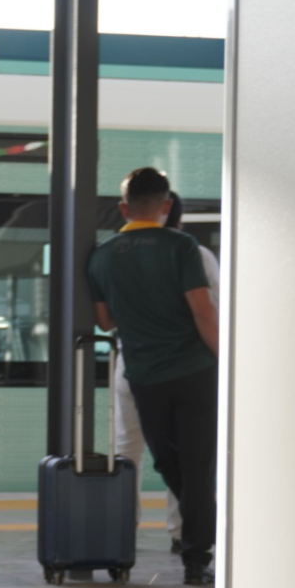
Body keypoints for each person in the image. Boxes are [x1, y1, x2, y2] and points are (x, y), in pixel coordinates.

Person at [88, 168, 218, 585]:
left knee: (166, 460)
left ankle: (201, 532)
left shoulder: (103, 255)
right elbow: (203, 311)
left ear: (123, 208)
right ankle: (197, 557)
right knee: (199, 463)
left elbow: (106, 320)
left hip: (143, 374)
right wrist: (229, 363)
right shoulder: (183, 246)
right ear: (165, 206)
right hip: (195, 371)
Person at [113, 192, 221, 553]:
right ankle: (182, 531)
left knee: (128, 451)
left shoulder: (115, 251)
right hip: (181, 368)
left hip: (130, 363)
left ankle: (120, 529)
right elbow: (209, 313)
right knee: (189, 456)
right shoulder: (195, 254)